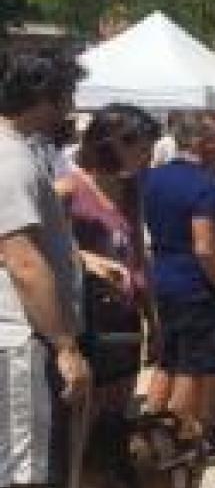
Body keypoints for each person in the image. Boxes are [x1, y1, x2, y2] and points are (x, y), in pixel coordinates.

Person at [0, 50, 90, 488]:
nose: (70, 107)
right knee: (24, 479)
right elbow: (23, 261)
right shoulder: (10, 158)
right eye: (67, 95)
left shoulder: (18, 151)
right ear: (44, 97)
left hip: (20, 336)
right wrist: (65, 347)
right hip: (19, 339)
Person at [56, 104, 161, 418]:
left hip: (124, 316)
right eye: (142, 149)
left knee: (117, 415)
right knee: (84, 416)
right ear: (112, 143)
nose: (149, 158)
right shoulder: (68, 189)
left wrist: (153, 320)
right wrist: (83, 258)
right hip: (84, 319)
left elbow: (138, 257)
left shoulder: (130, 187)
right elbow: (35, 248)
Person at [142, 112, 215, 445]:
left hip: (161, 278)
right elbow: (205, 248)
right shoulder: (203, 185)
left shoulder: (151, 177)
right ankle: (176, 441)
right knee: (191, 366)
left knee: (167, 361)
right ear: (200, 143)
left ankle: (148, 434)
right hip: (195, 285)